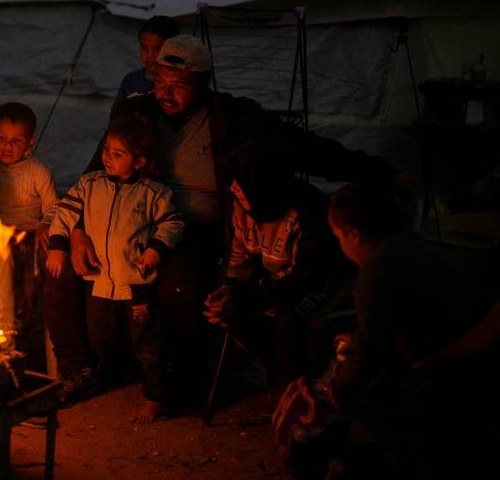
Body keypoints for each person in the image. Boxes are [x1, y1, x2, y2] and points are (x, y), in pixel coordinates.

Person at [60, 34, 410, 410]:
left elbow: (305, 148)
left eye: (179, 85)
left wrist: (384, 174)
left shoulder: (233, 117)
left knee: (179, 284)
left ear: (204, 84)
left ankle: (182, 381)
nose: (166, 93)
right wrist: (76, 232)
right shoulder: (135, 116)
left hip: (197, 229)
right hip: (129, 220)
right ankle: (83, 367)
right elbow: (95, 173)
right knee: (58, 263)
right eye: (160, 82)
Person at [278, 182, 500, 478]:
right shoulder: (412, 245)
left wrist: (334, 392)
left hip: (458, 375)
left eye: (338, 237)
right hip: (477, 351)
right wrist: (356, 341)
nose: (340, 246)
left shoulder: (375, 274)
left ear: (353, 234)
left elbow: (374, 355)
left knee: (353, 396)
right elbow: (384, 328)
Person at [47, 116, 185, 422]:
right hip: (100, 282)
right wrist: (58, 246)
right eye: (106, 150)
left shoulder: (153, 194)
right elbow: (65, 213)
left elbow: (174, 223)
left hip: (136, 283)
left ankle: (155, 397)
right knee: (100, 335)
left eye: (118, 153)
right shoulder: (89, 184)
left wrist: (156, 249)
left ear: (140, 161)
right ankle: (114, 375)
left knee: (147, 342)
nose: (107, 157)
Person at [203, 139, 355, 383]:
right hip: (272, 279)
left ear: (259, 182)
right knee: (226, 310)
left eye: (238, 183)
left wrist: (246, 296)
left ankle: (295, 385)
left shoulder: (306, 211)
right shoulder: (241, 208)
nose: (233, 189)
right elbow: (239, 256)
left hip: (315, 282)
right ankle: (274, 367)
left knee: (287, 316)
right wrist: (229, 288)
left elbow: (305, 274)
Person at [0, 101, 59, 341]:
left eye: (17, 141)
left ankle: (20, 328)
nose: (7, 147)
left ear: (30, 142)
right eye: (1, 138)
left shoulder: (38, 172)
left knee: (24, 280)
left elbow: (53, 206)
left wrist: (45, 225)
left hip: (27, 233)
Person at [110, 15, 181, 116]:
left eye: (158, 49)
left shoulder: (181, 84)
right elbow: (117, 117)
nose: (149, 55)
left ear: (175, 49)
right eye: (144, 48)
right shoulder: (131, 80)